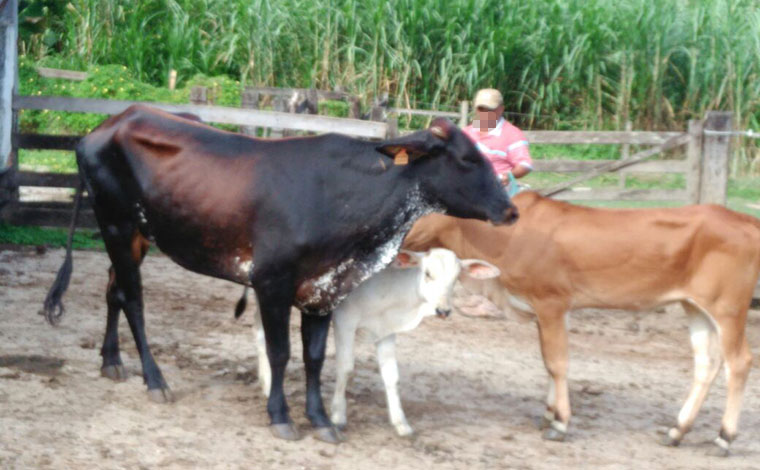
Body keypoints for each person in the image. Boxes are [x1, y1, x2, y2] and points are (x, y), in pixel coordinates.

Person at [462, 88, 533, 195]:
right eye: (482, 108)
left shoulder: (512, 134)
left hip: (498, 191)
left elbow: (525, 164)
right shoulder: (465, 132)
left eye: (490, 109)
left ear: (501, 109)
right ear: (476, 109)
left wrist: (509, 176)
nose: (485, 113)